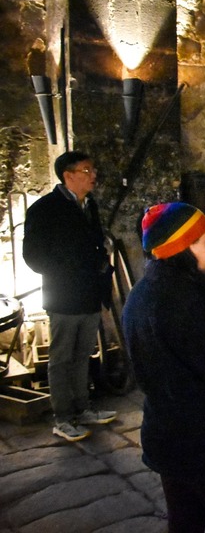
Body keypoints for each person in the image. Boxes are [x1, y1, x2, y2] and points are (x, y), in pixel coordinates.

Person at [122, 203, 205, 532]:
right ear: (180, 247)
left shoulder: (141, 294)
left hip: (167, 433)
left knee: (184, 516)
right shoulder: (189, 301)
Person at [22, 151, 117, 442]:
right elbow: (33, 256)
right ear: (68, 175)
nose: (93, 175)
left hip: (88, 294)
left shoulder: (89, 206)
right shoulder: (45, 209)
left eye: (92, 169)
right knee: (62, 358)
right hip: (64, 295)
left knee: (82, 355)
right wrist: (67, 272)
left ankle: (83, 408)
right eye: (86, 170)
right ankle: (63, 417)